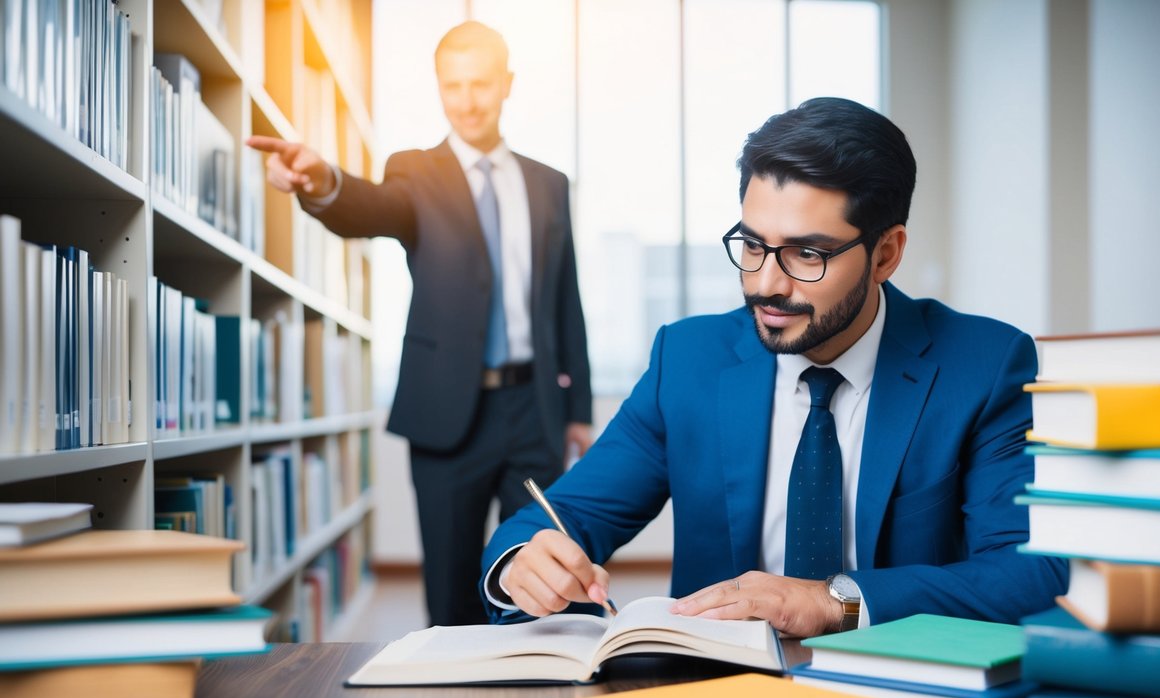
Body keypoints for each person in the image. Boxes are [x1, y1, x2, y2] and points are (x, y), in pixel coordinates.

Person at [479, 97, 1067, 636]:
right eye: (753, 245)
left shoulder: (984, 367)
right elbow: (563, 515)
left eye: (806, 253)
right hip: (717, 696)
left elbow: (1030, 572)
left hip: (906, 692)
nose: (765, 284)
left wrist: (832, 601)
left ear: (885, 254)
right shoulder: (686, 361)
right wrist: (521, 563)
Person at [247, 22, 593, 626]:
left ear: (506, 84)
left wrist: (580, 409)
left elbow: (567, 302)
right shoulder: (414, 171)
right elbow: (368, 207)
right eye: (452, 85)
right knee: (451, 583)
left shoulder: (548, 184)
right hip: (446, 416)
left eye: (480, 83)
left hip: (533, 412)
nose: (466, 100)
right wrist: (323, 180)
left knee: (541, 577)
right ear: (438, 87)